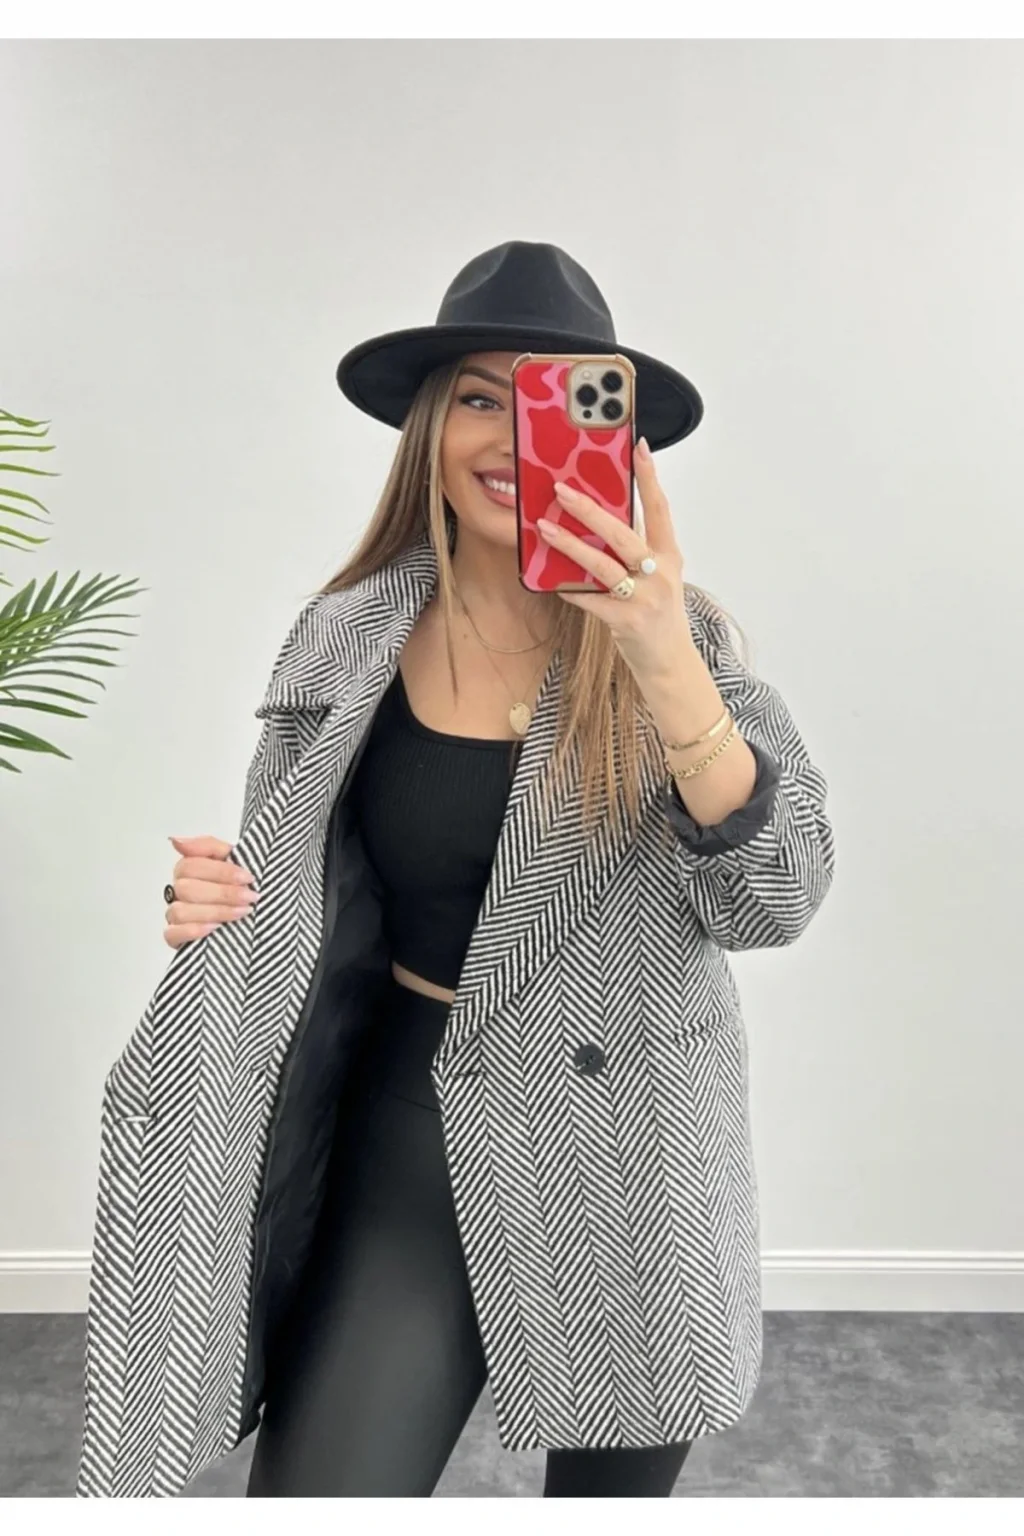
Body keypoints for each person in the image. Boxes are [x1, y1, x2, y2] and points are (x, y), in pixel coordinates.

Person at [80, 241, 834, 1499]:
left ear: (614, 444)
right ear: (430, 427)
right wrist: (214, 901)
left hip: (625, 1147)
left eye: (553, 403)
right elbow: (295, 887)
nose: (512, 436)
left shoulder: (680, 644)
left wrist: (657, 651)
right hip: (403, 1119)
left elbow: (778, 896)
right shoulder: (346, 634)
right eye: (483, 396)